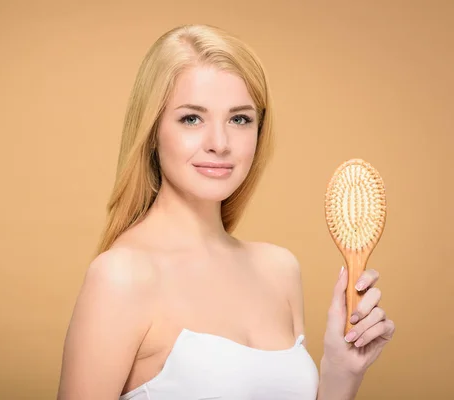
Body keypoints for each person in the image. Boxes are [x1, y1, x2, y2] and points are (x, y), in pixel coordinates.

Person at [57, 24, 395, 400]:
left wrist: (340, 373)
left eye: (239, 119)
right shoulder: (121, 276)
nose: (219, 143)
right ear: (152, 131)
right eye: (191, 118)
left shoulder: (279, 269)